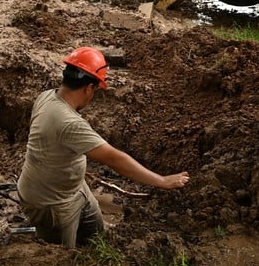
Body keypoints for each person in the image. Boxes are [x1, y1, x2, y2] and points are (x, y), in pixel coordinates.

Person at [17, 47, 190, 248]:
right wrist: (162, 181)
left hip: (75, 188)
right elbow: (114, 158)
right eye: (96, 90)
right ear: (89, 88)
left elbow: (52, 145)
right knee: (62, 258)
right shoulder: (69, 122)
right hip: (51, 203)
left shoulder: (47, 96)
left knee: (96, 237)